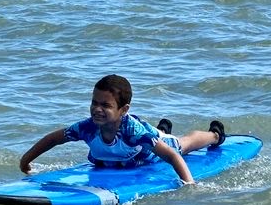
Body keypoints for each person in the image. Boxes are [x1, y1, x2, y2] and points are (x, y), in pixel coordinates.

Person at [19, 73, 225, 185]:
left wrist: (189, 185)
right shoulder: (87, 128)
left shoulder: (132, 132)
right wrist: (25, 160)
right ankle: (162, 129)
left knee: (182, 144)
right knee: (157, 138)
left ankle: (214, 135)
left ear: (123, 109)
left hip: (149, 150)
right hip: (136, 148)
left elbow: (172, 155)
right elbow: (53, 139)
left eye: (105, 105)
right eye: (94, 103)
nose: (97, 109)